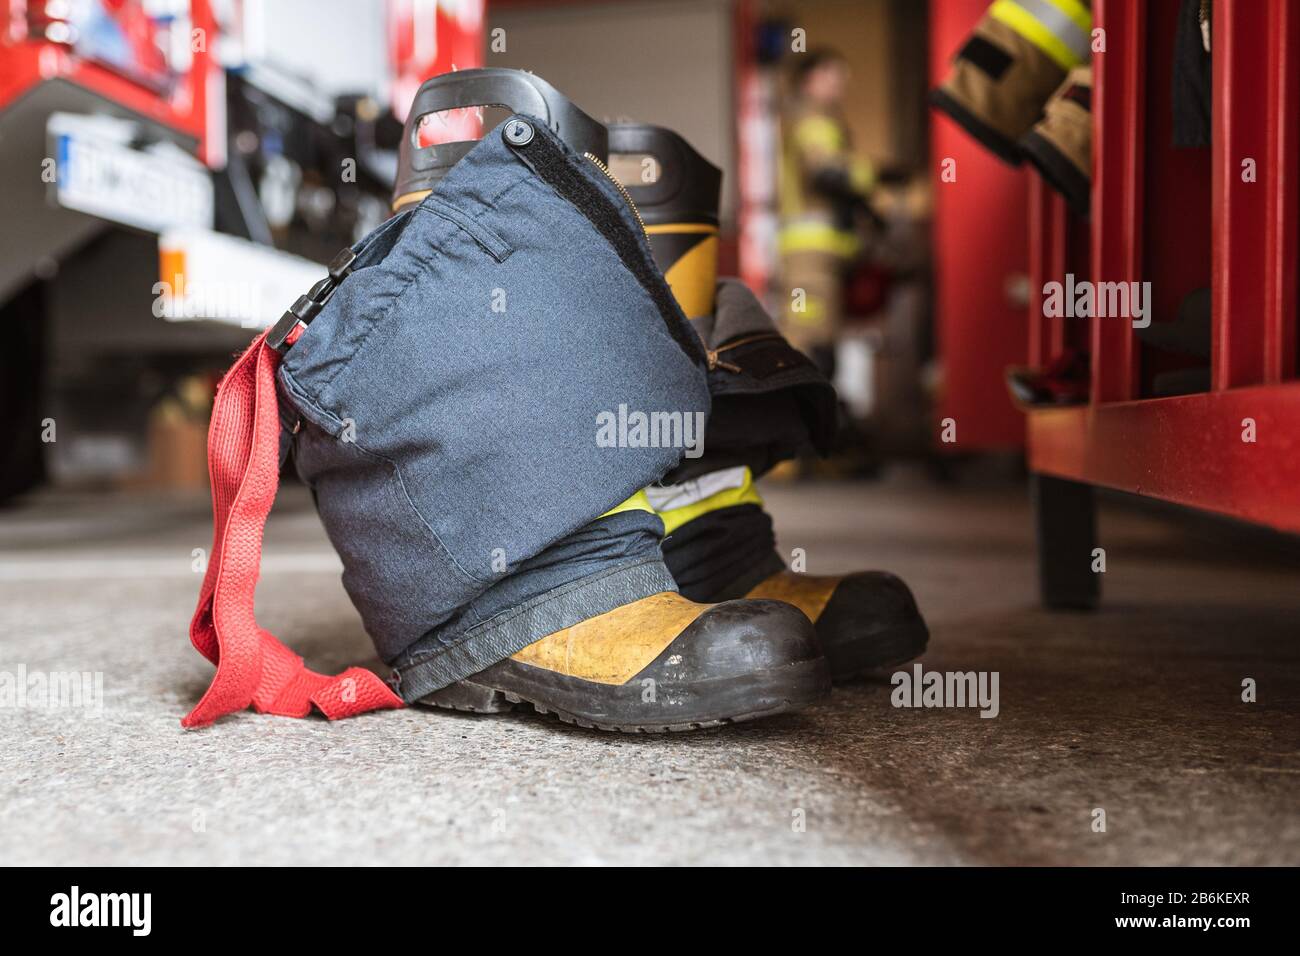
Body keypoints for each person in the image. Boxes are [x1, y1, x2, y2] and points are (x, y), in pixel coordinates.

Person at [777, 48, 876, 377]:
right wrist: (872, 177)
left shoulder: (817, 118)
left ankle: (814, 422)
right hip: (809, 259)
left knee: (821, 344)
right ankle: (803, 425)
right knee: (810, 346)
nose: (840, 85)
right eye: (833, 76)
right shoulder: (813, 119)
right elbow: (828, 174)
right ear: (811, 79)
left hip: (820, 258)